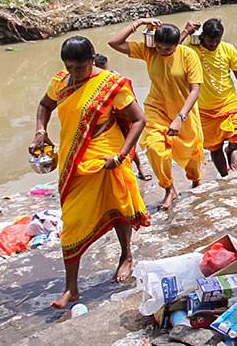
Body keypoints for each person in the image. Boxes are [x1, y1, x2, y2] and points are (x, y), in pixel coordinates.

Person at [32, 36, 149, 309]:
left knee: (119, 207)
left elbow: (139, 119)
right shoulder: (60, 82)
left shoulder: (111, 85)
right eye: (69, 67)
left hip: (105, 158)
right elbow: (44, 106)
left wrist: (120, 156)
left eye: (79, 68)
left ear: (92, 60)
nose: (73, 74)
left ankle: (126, 255)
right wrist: (40, 131)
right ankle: (71, 289)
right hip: (75, 162)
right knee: (71, 224)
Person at [108, 19, 204, 211]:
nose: (162, 52)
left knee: (192, 155)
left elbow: (195, 91)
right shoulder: (149, 52)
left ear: (177, 45)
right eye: (159, 47)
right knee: (154, 148)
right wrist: (139, 22)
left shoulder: (188, 55)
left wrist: (180, 118)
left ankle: (195, 180)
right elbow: (115, 43)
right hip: (157, 108)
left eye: (168, 49)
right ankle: (169, 189)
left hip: (183, 111)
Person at [181, 19, 237, 176]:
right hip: (205, 109)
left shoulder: (228, 49)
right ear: (203, 37)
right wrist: (186, 31)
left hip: (229, 102)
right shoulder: (191, 50)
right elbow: (170, 50)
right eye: (210, 40)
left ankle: (230, 151)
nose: (214, 44)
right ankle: (225, 176)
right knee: (215, 148)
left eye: (217, 40)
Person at [94, 53, 152, 182]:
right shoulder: (92, 79)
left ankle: (139, 167)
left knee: (128, 142)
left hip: (121, 115)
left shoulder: (115, 78)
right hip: (108, 118)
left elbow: (128, 98)